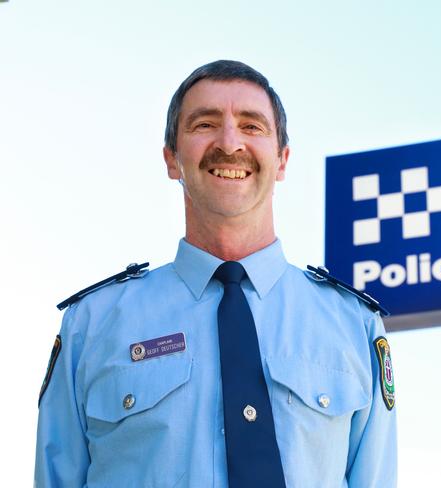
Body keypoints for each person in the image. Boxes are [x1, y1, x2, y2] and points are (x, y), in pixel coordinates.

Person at [35, 60, 397, 487]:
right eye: (204, 123)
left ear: (281, 161)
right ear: (172, 159)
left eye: (252, 126)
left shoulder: (353, 325)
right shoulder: (90, 326)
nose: (229, 142)